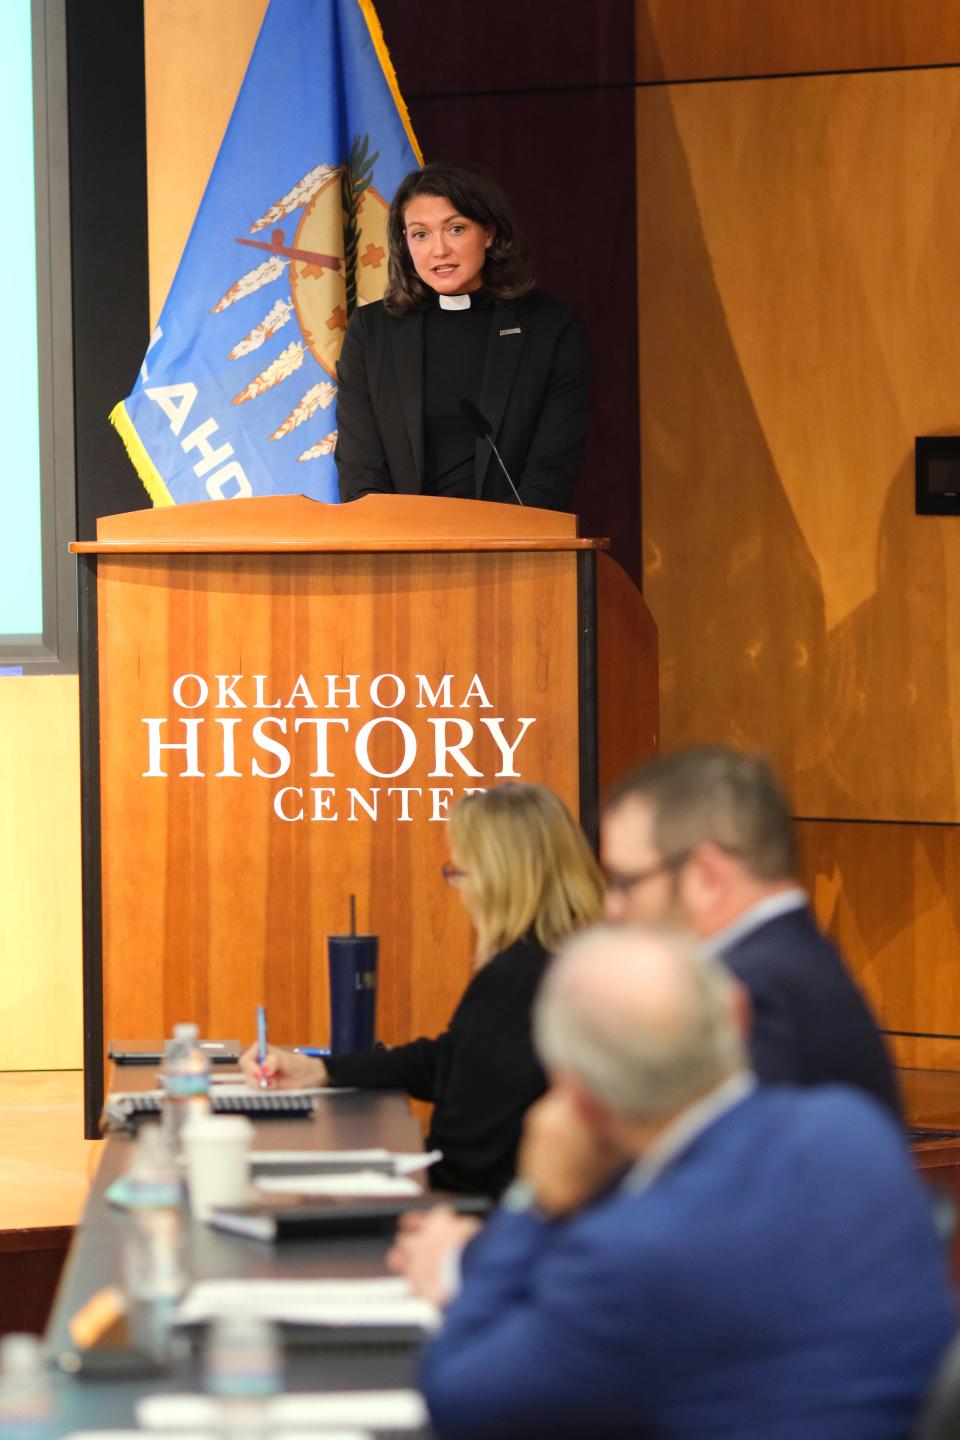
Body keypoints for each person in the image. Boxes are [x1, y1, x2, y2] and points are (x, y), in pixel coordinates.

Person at [408, 925, 955, 1440]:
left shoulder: (628, 1254)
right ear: (738, 1016)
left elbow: (461, 1397)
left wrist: (533, 1204)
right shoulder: (854, 1129)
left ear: (577, 1091)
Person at [240, 783, 603, 1197]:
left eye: (459, 873)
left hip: (466, 1222)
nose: (459, 891)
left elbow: (471, 1159)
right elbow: (449, 1059)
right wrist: (324, 1069)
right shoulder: (568, 960)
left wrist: (368, 1188)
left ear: (500, 880)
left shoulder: (519, 976)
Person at [600, 745, 900, 1112]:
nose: (611, 908)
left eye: (625, 882)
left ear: (707, 878)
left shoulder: (751, 1001)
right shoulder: (792, 967)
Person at [335, 162, 589, 511]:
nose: (438, 250)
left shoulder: (550, 327)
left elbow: (551, 465)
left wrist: (509, 545)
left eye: (455, 229)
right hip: (400, 549)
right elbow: (360, 466)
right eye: (420, 234)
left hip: (513, 548)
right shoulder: (372, 330)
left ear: (489, 233)